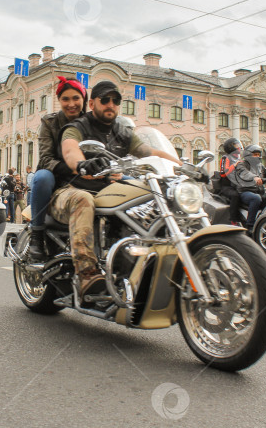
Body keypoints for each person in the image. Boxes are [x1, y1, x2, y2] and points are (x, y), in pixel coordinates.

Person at [53, 80, 181, 305]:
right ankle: (87, 276)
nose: (110, 104)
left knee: (146, 198)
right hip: (71, 190)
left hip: (108, 192)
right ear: (92, 103)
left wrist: (185, 169)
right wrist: (82, 165)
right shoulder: (78, 127)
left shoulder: (122, 133)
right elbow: (70, 149)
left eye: (115, 100)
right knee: (83, 199)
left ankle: (132, 268)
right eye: (105, 100)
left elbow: (150, 151)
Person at [27, 76, 88, 261]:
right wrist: (72, 168)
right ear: (59, 101)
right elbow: (45, 158)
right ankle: (36, 235)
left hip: (85, 176)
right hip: (54, 174)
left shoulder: (91, 122)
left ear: (84, 99)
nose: (71, 104)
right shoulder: (49, 122)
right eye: (65, 99)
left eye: (76, 98)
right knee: (42, 178)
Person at [230, 144, 266, 231]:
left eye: (258, 154)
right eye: (255, 154)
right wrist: (254, 177)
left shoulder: (260, 166)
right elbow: (245, 173)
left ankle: (265, 222)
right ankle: (250, 226)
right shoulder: (242, 165)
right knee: (255, 198)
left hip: (259, 191)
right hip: (245, 192)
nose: (257, 156)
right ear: (248, 154)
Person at [218, 137, 244, 226]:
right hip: (227, 186)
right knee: (235, 195)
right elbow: (223, 174)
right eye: (236, 145)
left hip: (238, 185)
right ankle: (233, 220)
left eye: (238, 145)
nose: (239, 147)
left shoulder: (240, 159)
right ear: (230, 147)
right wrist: (235, 165)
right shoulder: (226, 158)